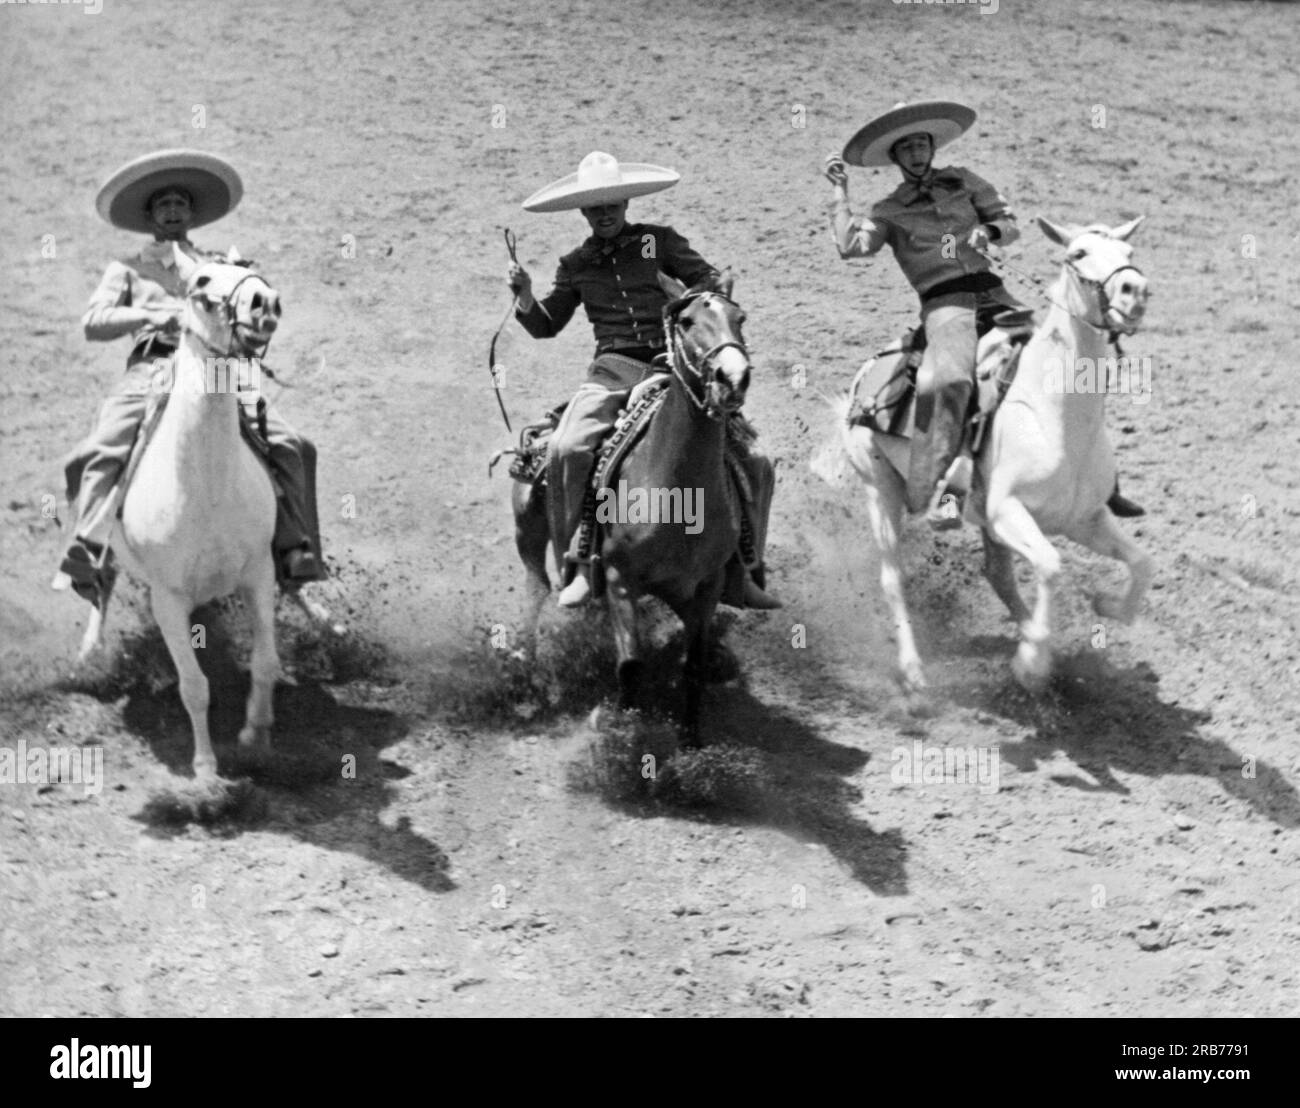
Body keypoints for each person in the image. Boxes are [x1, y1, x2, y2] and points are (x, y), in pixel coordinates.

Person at [823, 100, 1145, 528]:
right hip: (946, 307)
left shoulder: (967, 183)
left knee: (1077, 363)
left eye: (922, 145)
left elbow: (1009, 224)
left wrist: (987, 231)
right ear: (896, 158)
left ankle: (1103, 481)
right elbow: (851, 248)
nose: (917, 154)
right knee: (952, 380)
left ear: (932, 147)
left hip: (998, 296)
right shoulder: (888, 210)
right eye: (907, 149)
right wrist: (839, 193)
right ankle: (941, 492)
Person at [509, 150, 779, 609]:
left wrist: (692, 299)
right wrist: (526, 297)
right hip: (611, 373)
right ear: (583, 212)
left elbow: (708, 282)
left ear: (626, 204)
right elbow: (547, 324)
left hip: (671, 369)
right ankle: (577, 563)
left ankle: (745, 568)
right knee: (566, 448)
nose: (605, 214)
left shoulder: (658, 242)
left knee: (758, 458)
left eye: (612, 204)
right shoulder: (576, 264)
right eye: (596, 207)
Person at [54, 149, 324, 605]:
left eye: (180, 204)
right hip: (153, 370)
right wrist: (151, 315)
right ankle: (89, 547)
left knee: (294, 445)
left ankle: (296, 547)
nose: (173, 211)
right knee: (99, 449)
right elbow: (92, 321)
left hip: (215, 369)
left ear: (191, 212)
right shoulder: (127, 269)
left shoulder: (217, 264)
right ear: (149, 216)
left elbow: (248, 306)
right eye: (164, 205)